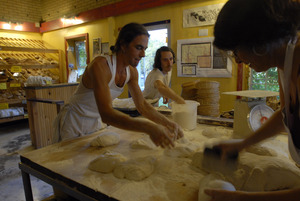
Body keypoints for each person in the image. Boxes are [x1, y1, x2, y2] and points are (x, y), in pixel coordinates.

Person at [203, 0, 300, 200]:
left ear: (258, 43)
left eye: (236, 51)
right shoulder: (285, 62)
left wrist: (245, 198)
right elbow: (285, 115)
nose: (238, 60)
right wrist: (242, 144)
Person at [54, 22, 183, 149]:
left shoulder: (132, 72)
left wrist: (168, 123)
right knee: (72, 165)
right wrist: (149, 127)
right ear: (123, 45)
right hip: (75, 120)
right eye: (138, 48)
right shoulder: (100, 66)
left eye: (145, 49)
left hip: (96, 122)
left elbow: (142, 105)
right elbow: (106, 114)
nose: (143, 54)